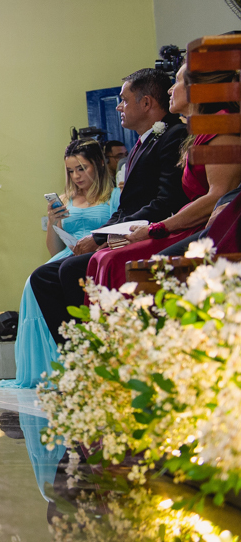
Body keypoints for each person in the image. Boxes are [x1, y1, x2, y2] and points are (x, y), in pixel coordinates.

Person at [30, 68, 189, 345]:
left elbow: (164, 203)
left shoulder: (172, 135)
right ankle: (76, 355)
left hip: (148, 232)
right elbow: (123, 209)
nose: (119, 106)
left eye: (124, 100)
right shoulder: (144, 141)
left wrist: (101, 237)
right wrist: (99, 235)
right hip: (122, 231)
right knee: (42, 277)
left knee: (69, 271)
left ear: (147, 103)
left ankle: (94, 351)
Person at [85, 64, 241, 290]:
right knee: (102, 257)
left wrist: (157, 228)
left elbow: (218, 196)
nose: (169, 90)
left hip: (217, 227)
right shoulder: (199, 129)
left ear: (197, 89)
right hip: (193, 223)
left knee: (145, 269)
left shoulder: (221, 124)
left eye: (177, 82)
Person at [0, 138, 118, 390]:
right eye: (71, 170)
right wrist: (53, 221)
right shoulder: (66, 199)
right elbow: (54, 248)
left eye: (82, 168)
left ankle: (81, 361)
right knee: (35, 280)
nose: (76, 176)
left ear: (97, 165)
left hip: (100, 254)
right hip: (67, 256)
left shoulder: (114, 196)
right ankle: (51, 367)